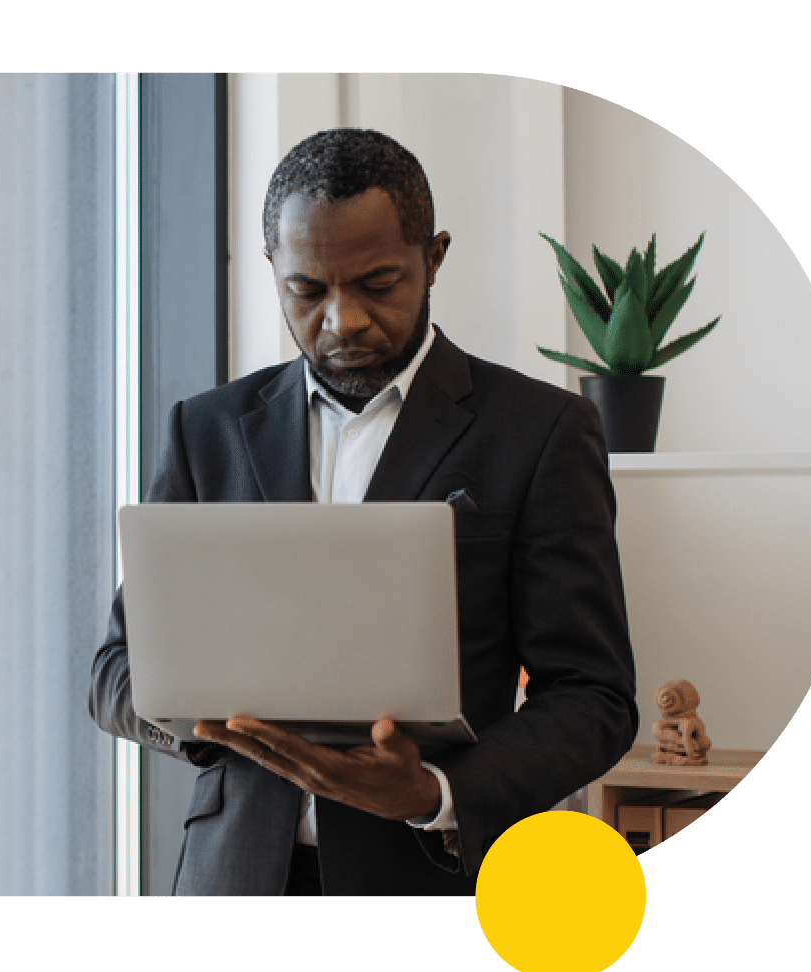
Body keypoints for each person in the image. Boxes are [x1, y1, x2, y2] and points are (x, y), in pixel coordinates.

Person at [89, 128, 638, 896]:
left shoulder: (540, 431)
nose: (342, 319)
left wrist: (436, 793)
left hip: (429, 879)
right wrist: (201, 720)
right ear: (273, 270)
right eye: (307, 290)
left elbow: (594, 696)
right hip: (232, 881)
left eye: (378, 283)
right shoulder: (204, 430)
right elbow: (115, 671)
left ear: (434, 256)